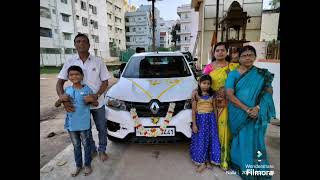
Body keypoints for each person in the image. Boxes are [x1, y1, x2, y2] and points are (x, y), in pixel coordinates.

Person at [56, 33, 112, 162]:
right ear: (75, 44)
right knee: (86, 129)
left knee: (101, 127)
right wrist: (63, 98)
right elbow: (59, 83)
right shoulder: (70, 61)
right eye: (78, 41)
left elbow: (105, 82)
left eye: (84, 41)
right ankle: (92, 149)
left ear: (89, 45)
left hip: (98, 103)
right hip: (79, 105)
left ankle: (102, 150)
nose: (81, 43)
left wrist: (96, 95)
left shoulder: (98, 61)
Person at [226, 45, 275, 179]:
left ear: (254, 57)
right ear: (239, 58)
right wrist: (247, 109)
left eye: (250, 55)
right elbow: (229, 94)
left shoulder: (262, 74)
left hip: (257, 112)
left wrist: (257, 108)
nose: (248, 58)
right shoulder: (233, 74)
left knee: (256, 140)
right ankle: (242, 166)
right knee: (241, 139)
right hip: (239, 112)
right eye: (244, 55)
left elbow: (268, 92)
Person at [195, 42, 239, 171]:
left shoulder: (233, 67)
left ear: (226, 52)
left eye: (222, 50)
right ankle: (214, 157)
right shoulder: (209, 67)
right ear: (214, 53)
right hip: (213, 104)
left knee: (227, 131)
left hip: (230, 103)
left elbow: (238, 83)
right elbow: (202, 83)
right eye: (217, 50)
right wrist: (195, 92)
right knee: (214, 132)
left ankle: (225, 159)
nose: (220, 52)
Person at [55, 66, 98, 176]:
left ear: (82, 76)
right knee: (76, 146)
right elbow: (56, 104)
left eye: (77, 74)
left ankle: (87, 164)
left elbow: (96, 103)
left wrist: (92, 100)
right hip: (71, 125)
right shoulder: (67, 90)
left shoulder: (87, 89)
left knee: (86, 145)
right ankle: (78, 165)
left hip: (84, 125)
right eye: (71, 75)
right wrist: (61, 99)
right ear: (68, 77)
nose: (74, 76)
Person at [190, 75, 221, 173]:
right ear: (199, 83)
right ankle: (202, 162)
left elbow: (215, 109)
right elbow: (194, 110)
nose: (206, 86)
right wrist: (194, 124)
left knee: (211, 140)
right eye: (204, 83)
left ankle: (209, 161)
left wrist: (216, 122)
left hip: (211, 120)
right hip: (200, 120)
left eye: (208, 84)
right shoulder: (196, 94)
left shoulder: (213, 94)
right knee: (201, 140)